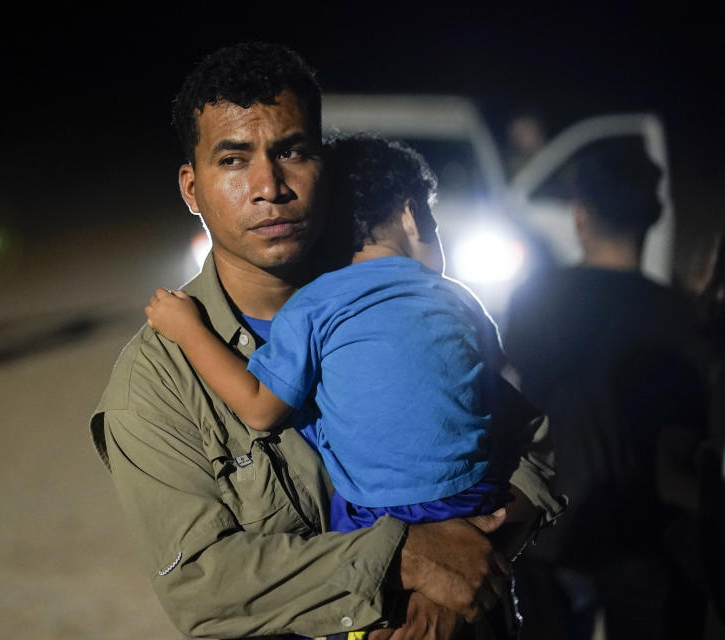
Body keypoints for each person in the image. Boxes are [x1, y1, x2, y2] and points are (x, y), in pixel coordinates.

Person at [91, 42, 564, 640]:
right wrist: (412, 559)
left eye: (292, 152)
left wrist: (473, 559)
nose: (269, 186)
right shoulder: (158, 381)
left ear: (325, 168)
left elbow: (531, 443)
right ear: (192, 189)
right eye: (234, 161)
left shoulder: (394, 307)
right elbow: (203, 585)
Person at [144, 135, 531, 539]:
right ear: (412, 215)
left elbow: (259, 410)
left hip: (374, 515)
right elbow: (505, 379)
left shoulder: (312, 305)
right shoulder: (458, 297)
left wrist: (188, 330)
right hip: (475, 496)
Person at [504, 141, 708, 640]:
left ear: (579, 216)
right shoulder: (676, 316)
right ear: (652, 216)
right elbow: (684, 450)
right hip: (640, 538)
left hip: (545, 530)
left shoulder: (536, 296)